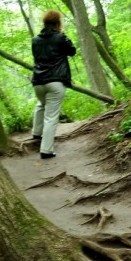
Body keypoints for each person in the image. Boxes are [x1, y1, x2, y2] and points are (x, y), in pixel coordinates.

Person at [31, 10, 76, 159]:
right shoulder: (60, 37)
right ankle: (46, 150)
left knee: (41, 104)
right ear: (57, 23)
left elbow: (37, 56)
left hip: (38, 82)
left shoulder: (35, 40)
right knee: (51, 117)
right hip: (55, 82)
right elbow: (72, 51)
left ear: (44, 23)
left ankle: (36, 133)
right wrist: (62, 34)